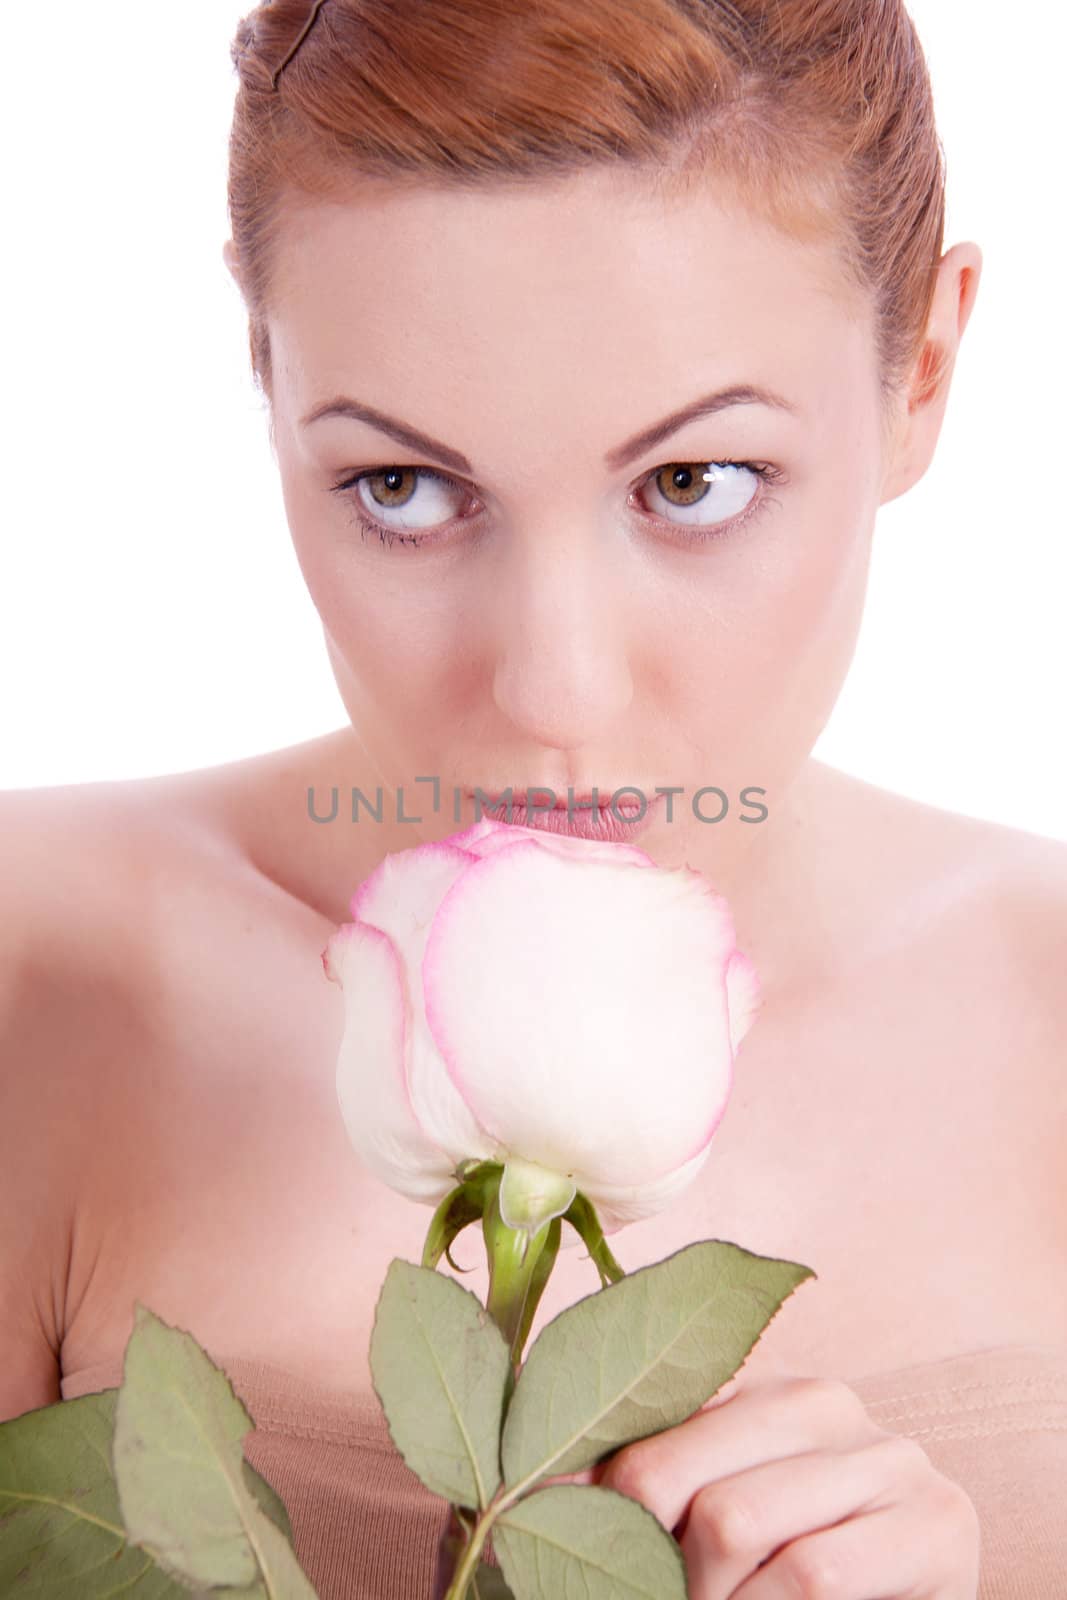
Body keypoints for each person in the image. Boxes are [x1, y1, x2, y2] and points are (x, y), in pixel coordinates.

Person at [2, 1, 1064, 1596]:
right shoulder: (44, 985)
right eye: (404, 488)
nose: (554, 687)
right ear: (265, 373)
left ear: (921, 367)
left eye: (693, 483)